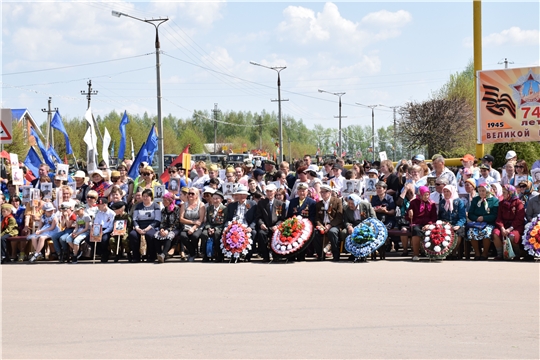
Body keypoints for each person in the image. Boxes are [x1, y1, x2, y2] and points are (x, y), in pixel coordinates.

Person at [466, 183, 499, 260]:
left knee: (486, 231)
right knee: (471, 231)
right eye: (479, 191)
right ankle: (477, 253)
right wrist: (477, 218)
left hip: (488, 222)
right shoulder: (475, 200)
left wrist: (484, 218)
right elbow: (470, 213)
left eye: (483, 191)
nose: (481, 193)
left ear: (488, 190)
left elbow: (495, 215)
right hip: (477, 223)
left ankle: (485, 253)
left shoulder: (494, 200)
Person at [492, 185, 525, 261]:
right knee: (495, 233)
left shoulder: (518, 203)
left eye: (504, 192)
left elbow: (519, 219)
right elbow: (499, 218)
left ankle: (517, 254)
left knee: (512, 236)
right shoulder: (501, 203)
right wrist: (502, 228)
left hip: (515, 226)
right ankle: (500, 254)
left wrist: (510, 229)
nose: (502, 194)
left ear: (510, 193)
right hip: (504, 225)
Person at [128, 189, 161, 263]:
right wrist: (137, 228)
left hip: (151, 226)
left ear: (151, 197)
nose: (145, 198)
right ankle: (136, 257)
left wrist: (147, 229)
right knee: (133, 235)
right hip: (140, 225)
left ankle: (152, 256)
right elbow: (135, 219)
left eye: (147, 196)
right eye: (144, 196)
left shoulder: (156, 205)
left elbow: (157, 220)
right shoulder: (138, 206)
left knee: (150, 235)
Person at [255, 184, 286, 262]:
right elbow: (258, 216)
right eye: (267, 191)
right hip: (265, 226)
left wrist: (277, 225)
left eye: (271, 191)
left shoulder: (280, 204)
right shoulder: (261, 203)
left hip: (276, 227)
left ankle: (276, 255)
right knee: (261, 234)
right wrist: (261, 224)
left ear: (275, 192)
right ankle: (265, 256)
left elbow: (282, 218)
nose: (269, 193)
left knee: (277, 234)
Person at [406, 186, 438, 261]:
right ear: (420, 194)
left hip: (428, 224)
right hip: (416, 223)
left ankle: (432, 253)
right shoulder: (414, 202)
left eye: (428, 195)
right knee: (416, 231)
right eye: (424, 195)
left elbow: (434, 217)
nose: (426, 197)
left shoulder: (432, 204)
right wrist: (410, 213)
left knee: (433, 230)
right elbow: (408, 217)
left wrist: (429, 224)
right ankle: (416, 254)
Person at [313, 184, 344, 262]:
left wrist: (330, 225)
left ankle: (336, 255)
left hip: (334, 224)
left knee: (332, 232)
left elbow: (339, 217)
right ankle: (320, 255)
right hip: (323, 224)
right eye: (321, 192)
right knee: (315, 232)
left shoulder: (337, 201)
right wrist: (320, 226)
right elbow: (317, 217)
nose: (322, 194)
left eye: (324, 192)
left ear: (329, 192)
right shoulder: (319, 204)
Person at [286, 182, 316, 261]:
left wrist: (306, 224)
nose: (302, 193)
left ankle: (301, 255)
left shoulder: (311, 203)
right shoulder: (292, 202)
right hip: (294, 225)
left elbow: (312, 216)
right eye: (300, 191)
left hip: (306, 226)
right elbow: (289, 215)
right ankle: (291, 254)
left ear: (307, 191)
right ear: (297, 192)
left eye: (304, 191)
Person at [438, 185, 466, 259]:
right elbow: (440, 216)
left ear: (452, 192)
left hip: (456, 223)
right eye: (444, 192)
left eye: (448, 191)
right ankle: (445, 252)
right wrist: (442, 223)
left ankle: (453, 252)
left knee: (459, 232)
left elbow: (462, 217)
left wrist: (458, 225)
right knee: (439, 231)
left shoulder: (459, 202)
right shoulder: (442, 202)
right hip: (445, 223)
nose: (446, 193)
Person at [179, 187, 205, 262]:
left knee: (195, 236)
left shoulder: (201, 205)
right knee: (183, 236)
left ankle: (193, 253)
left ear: (197, 195)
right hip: (187, 225)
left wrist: (193, 228)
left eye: (192, 193)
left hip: (198, 226)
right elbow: (181, 219)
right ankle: (192, 252)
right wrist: (192, 222)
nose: (190, 195)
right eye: (189, 193)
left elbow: (201, 220)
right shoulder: (184, 205)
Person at [200, 191, 227, 262]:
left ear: (221, 200)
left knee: (217, 234)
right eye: (213, 198)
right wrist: (209, 228)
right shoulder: (209, 208)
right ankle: (205, 254)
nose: (215, 200)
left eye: (217, 198)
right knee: (204, 234)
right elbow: (208, 221)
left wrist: (215, 229)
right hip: (210, 226)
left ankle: (219, 254)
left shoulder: (224, 209)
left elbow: (224, 221)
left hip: (220, 227)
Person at [155, 192, 181, 263]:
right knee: (156, 235)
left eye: (165, 200)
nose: (163, 202)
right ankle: (159, 253)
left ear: (170, 201)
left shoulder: (177, 209)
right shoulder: (163, 210)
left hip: (175, 228)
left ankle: (163, 254)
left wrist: (168, 230)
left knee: (169, 236)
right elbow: (162, 221)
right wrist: (162, 229)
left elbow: (177, 222)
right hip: (165, 228)